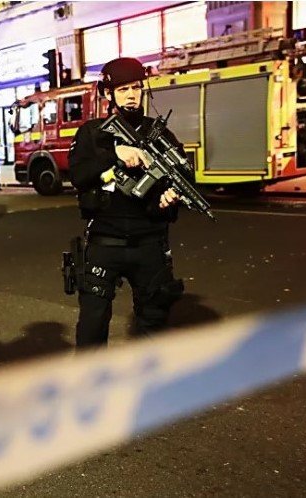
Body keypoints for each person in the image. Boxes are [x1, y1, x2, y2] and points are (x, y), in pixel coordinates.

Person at [68, 57, 186, 348]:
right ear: (108, 94)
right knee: (92, 328)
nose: (132, 94)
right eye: (123, 89)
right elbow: (79, 175)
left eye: (136, 87)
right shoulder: (93, 133)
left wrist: (173, 196)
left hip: (149, 244)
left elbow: (183, 175)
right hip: (105, 243)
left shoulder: (159, 134)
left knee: (153, 324)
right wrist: (115, 154)